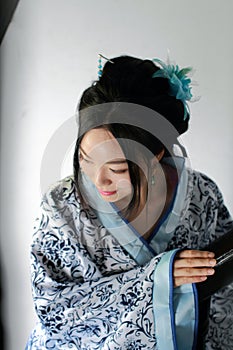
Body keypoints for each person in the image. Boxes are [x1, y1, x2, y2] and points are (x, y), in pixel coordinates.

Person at [26, 55, 233, 350]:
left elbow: (223, 295)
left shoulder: (201, 195)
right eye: (86, 159)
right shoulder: (61, 208)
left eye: (118, 168)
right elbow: (55, 311)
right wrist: (158, 278)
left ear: (158, 152)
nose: (99, 180)